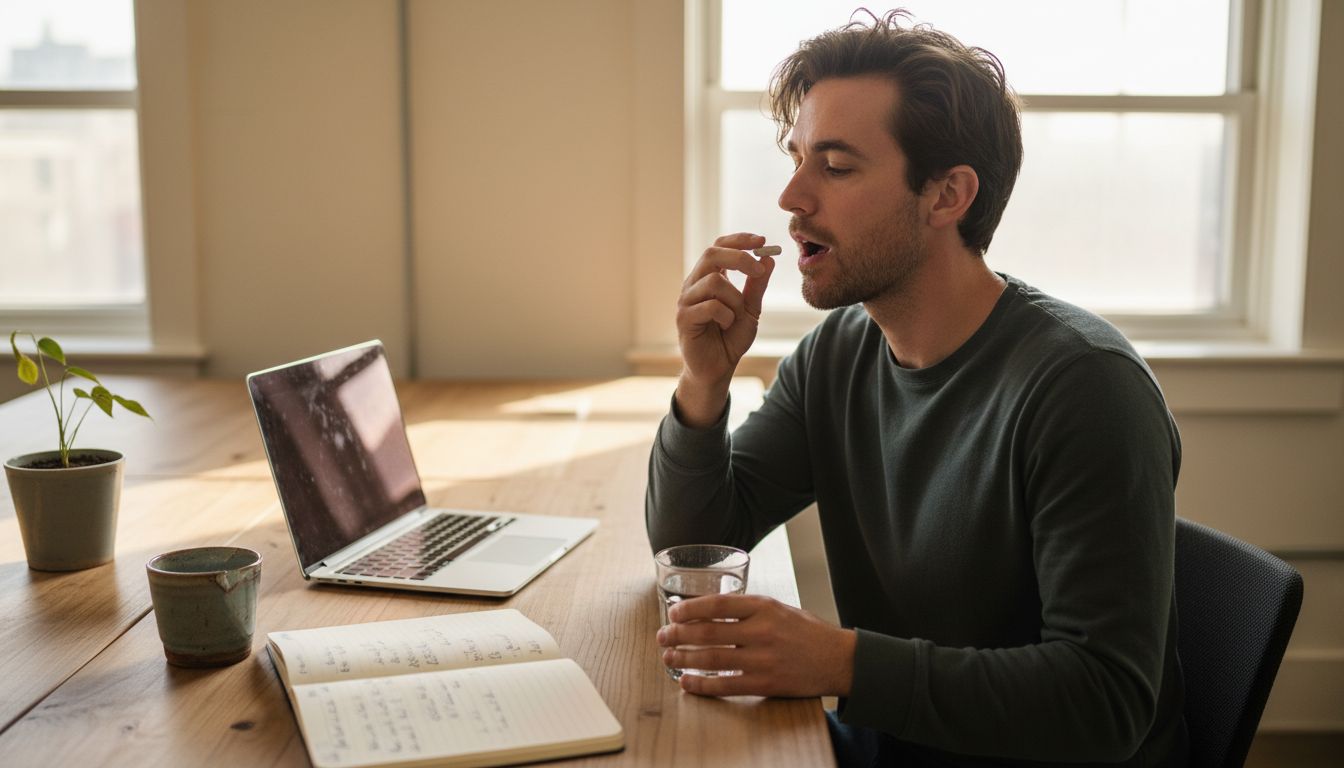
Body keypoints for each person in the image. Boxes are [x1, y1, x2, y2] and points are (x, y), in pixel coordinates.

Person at [645, 9, 1188, 767]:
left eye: (834, 167)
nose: (792, 197)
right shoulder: (838, 352)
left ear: (946, 197)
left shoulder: (1085, 389)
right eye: (796, 158)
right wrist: (703, 385)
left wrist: (841, 662)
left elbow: (1104, 702)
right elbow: (693, 550)